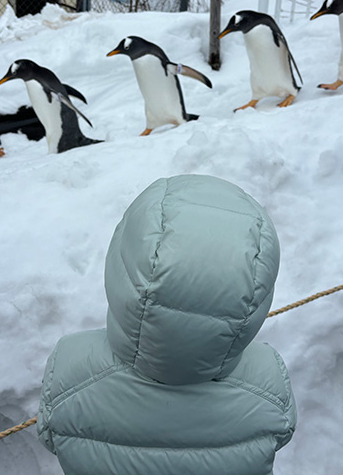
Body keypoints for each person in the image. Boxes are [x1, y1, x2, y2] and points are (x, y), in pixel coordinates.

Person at [37, 175, 296, 475]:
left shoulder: (70, 371)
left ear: (123, 266)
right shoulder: (268, 384)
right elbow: (282, 433)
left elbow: (50, 435)